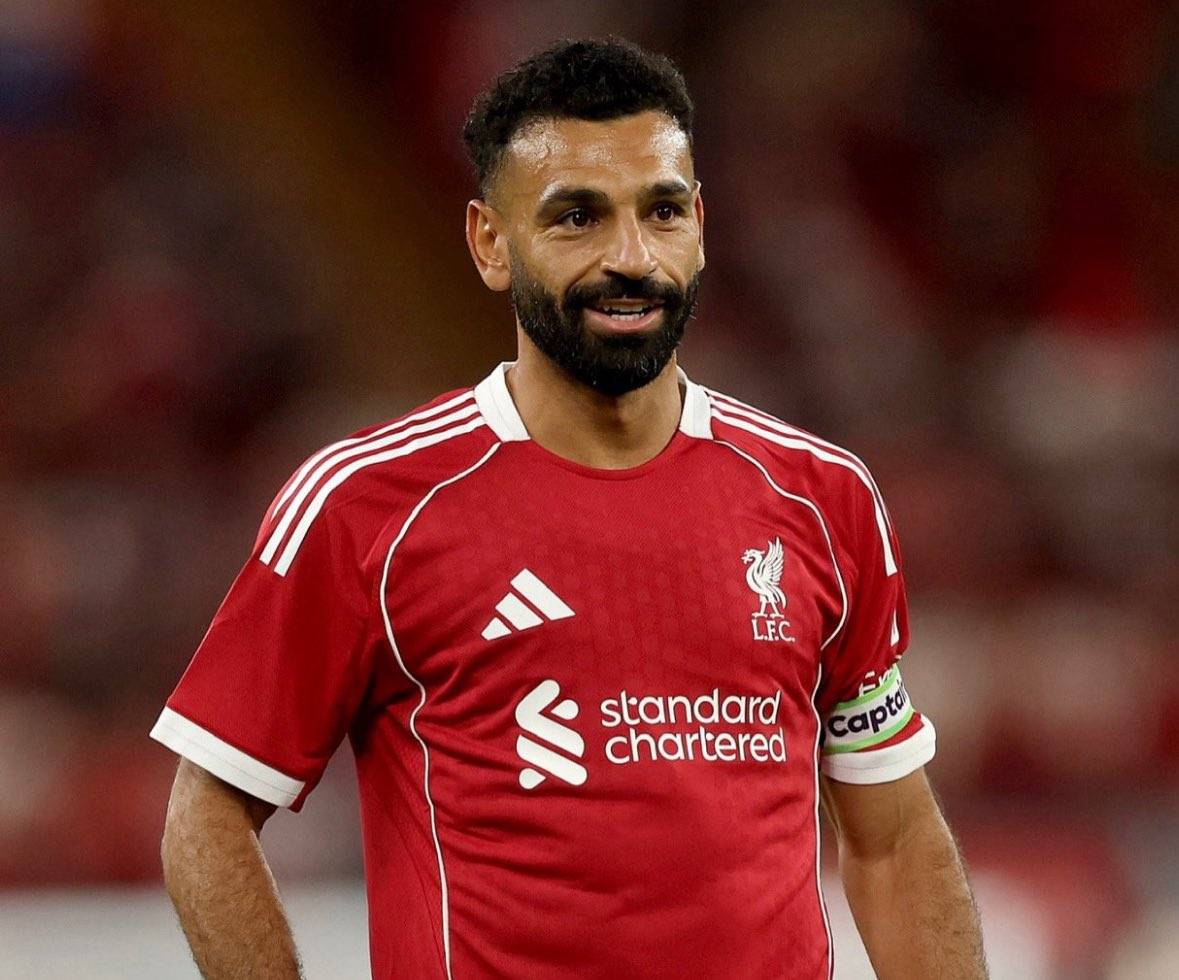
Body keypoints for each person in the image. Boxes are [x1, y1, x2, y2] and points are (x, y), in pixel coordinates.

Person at [154, 37, 988, 980]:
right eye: (577, 217)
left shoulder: (821, 497)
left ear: (699, 226)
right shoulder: (367, 505)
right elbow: (207, 816)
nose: (629, 257)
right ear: (490, 243)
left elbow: (892, 837)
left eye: (660, 211)